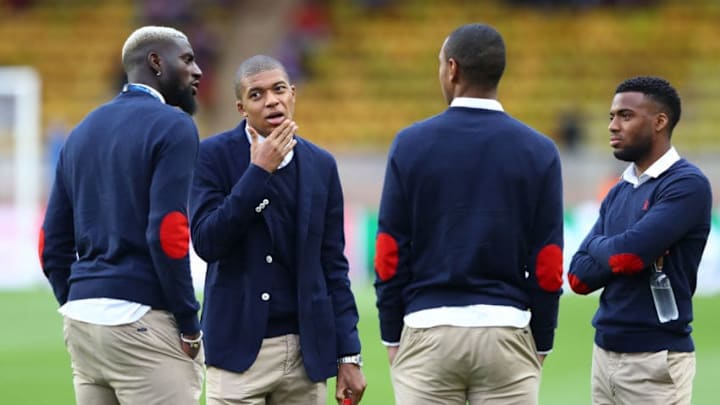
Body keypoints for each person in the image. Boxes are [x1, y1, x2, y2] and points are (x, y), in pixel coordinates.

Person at [374, 23, 564, 405]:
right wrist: (541, 339)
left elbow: (389, 252)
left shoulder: (410, 144)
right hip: (506, 330)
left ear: (453, 69)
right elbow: (548, 263)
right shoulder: (540, 151)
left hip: (429, 329)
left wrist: (392, 334)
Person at [38, 26, 204, 404]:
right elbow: (168, 232)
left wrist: (79, 298)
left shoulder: (80, 132)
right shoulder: (175, 126)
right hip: (142, 321)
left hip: (83, 320)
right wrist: (189, 324)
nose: (198, 72)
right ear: (156, 63)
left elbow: (50, 242)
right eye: (188, 60)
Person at [189, 54, 367, 405]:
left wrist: (349, 355)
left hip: (306, 355)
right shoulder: (212, 156)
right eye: (257, 95)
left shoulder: (321, 165)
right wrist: (258, 173)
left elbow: (333, 266)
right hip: (237, 354)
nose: (271, 100)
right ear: (241, 108)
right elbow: (207, 242)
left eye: (279, 89)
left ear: (293, 95)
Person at [568, 76, 712, 405]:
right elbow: (578, 276)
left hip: (655, 360)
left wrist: (603, 246)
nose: (613, 126)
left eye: (625, 116)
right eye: (611, 117)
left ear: (660, 121)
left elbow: (627, 258)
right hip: (603, 355)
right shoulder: (619, 190)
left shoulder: (686, 185)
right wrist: (620, 248)